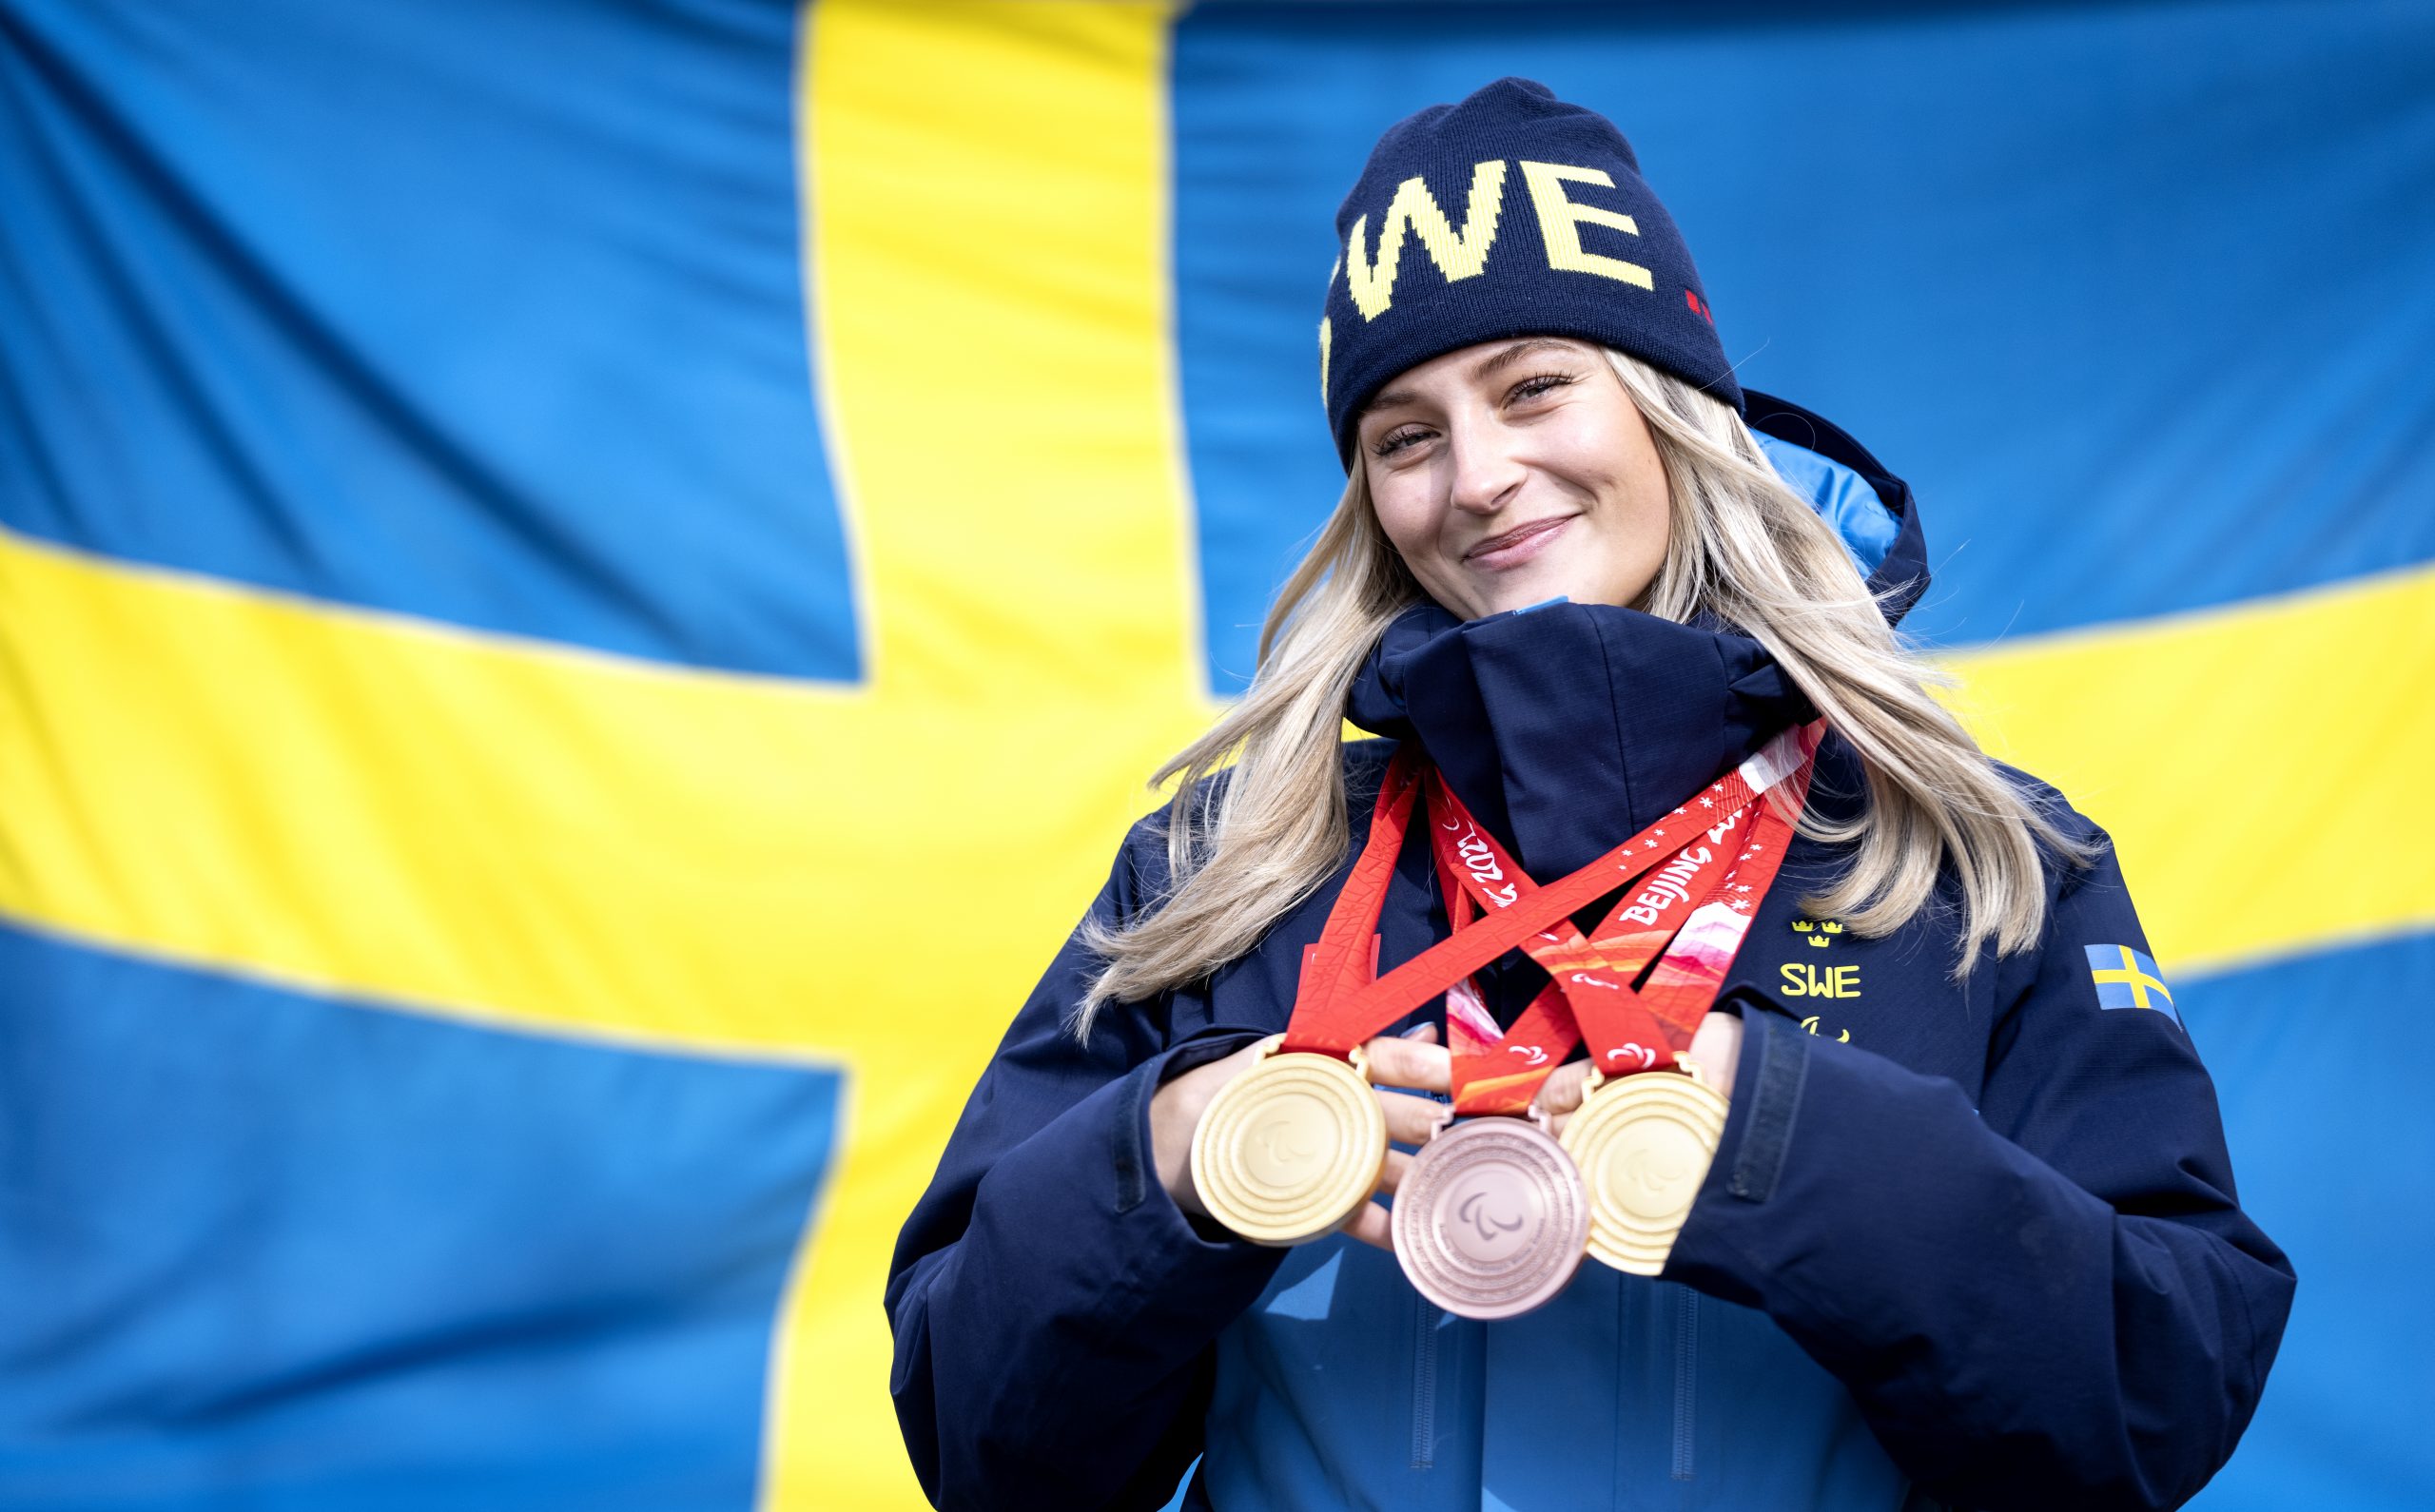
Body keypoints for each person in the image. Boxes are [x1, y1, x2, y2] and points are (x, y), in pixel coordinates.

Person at [886, 78, 2292, 1511]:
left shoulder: (1980, 857)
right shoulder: (1225, 865)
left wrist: (1796, 1147)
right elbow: (988, 1454)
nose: (1481, 477)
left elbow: (2153, 1400)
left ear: (1670, 404)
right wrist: (1168, 1157)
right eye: (1405, 437)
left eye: (1535, 384)